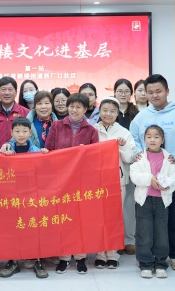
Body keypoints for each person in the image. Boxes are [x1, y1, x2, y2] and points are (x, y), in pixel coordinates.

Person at [130, 74, 175, 271]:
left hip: (172, 179)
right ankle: (149, 257)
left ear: (167, 91)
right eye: (150, 92)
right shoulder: (141, 116)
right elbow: (133, 140)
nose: (154, 95)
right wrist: (137, 154)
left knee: (174, 219)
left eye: (158, 91)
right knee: (148, 224)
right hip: (147, 181)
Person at [45, 93, 99, 275]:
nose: (74, 110)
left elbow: (95, 158)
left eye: (78, 107)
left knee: (81, 220)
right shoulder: (56, 126)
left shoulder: (92, 131)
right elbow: (49, 150)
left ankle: (81, 257)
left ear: (85, 109)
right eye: (71, 106)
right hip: (60, 181)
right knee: (62, 219)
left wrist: (86, 154)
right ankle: (64, 257)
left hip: (81, 182)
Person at [0, 117, 49, 279]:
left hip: (32, 195)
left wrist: (45, 155)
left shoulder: (36, 150)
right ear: (11, 132)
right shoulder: (6, 149)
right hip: (11, 196)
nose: (21, 134)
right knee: (12, 227)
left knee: (34, 227)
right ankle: (12, 260)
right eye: (17, 131)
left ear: (30, 133)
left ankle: (38, 259)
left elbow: (45, 169)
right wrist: (2, 154)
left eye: (24, 131)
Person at [130, 125, 175, 279]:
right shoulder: (140, 157)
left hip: (161, 201)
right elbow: (134, 175)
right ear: (144, 139)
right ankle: (145, 263)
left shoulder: (168, 158)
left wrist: (168, 185)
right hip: (144, 201)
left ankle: (160, 263)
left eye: (156, 137)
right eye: (149, 137)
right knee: (144, 232)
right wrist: (150, 179)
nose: (152, 140)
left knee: (161, 233)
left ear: (162, 140)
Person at [93, 97, 135, 269]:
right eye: (105, 110)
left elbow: (130, 158)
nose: (108, 114)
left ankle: (113, 253)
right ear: (99, 111)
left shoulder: (124, 132)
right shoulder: (92, 130)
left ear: (117, 113)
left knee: (114, 217)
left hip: (117, 180)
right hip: (96, 181)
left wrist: (122, 146)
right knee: (98, 217)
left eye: (112, 111)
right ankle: (99, 253)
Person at [114, 79, 140, 255]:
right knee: (114, 205)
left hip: (131, 163)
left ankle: (129, 239)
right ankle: (114, 239)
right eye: (120, 91)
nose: (123, 94)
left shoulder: (137, 113)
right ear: (114, 92)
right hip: (112, 165)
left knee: (130, 203)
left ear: (131, 93)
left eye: (126, 91)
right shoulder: (108, 111)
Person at [0, 76, 30, 149]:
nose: (7, 93)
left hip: (19, 154)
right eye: (3, 89)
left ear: (16, 92)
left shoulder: (26, 113)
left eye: (10, 89)